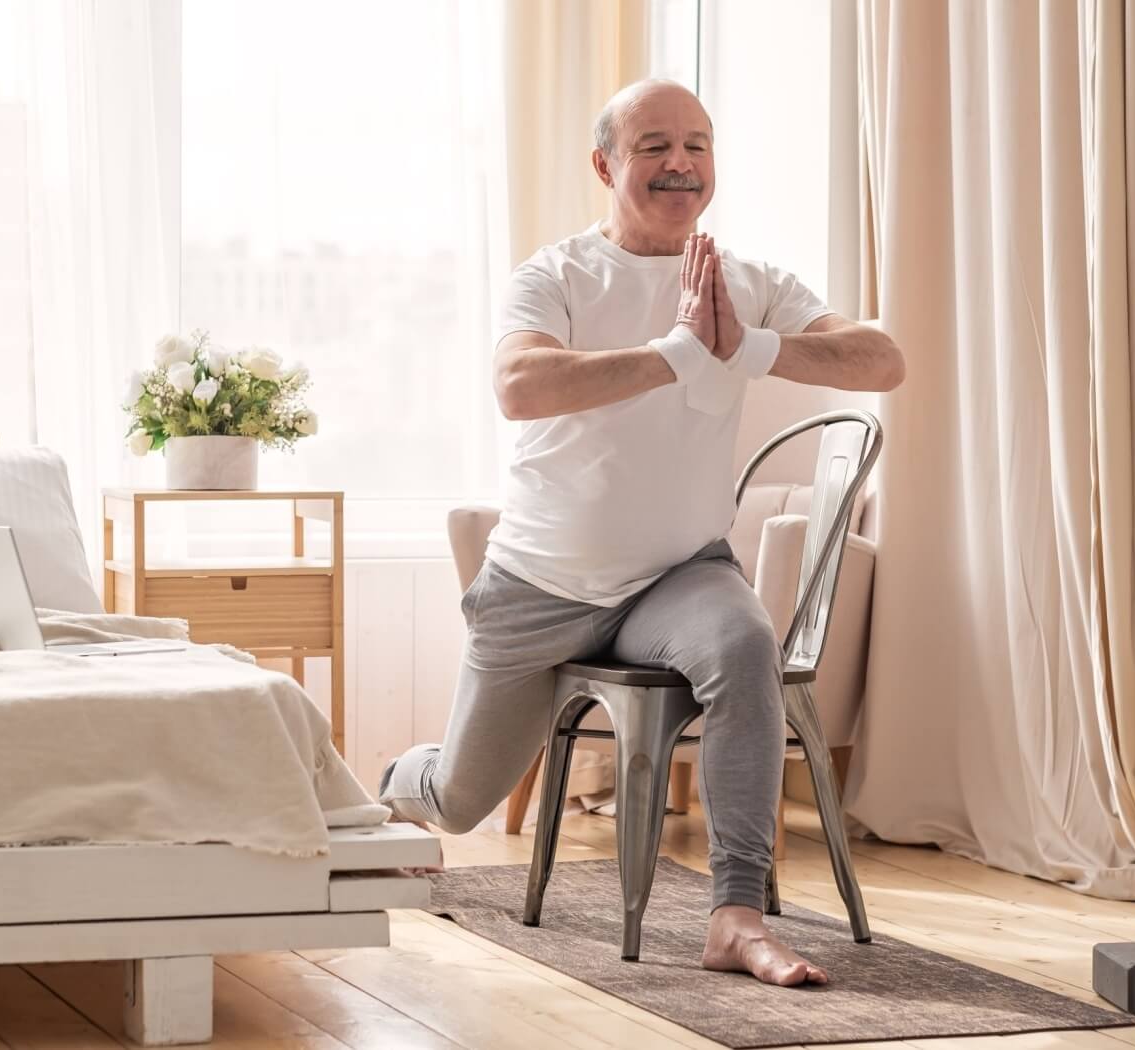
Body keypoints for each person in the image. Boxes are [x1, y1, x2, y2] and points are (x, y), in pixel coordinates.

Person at [379, 78, 904, 987]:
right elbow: (520, 387)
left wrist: (755, 348)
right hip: (541, 582)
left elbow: (881, 358)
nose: (680, 163)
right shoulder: (557, 275)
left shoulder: (746, 283)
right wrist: (676, 356)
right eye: (654, 144)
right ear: (606, 165)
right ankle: (390, 782)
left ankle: (735, 916)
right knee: (462, 800)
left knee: (745, 645)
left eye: (697, 145)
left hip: (676, 576)